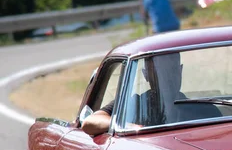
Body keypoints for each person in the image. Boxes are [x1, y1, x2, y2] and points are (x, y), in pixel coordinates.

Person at [77, 53, 220, 135]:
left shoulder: (205, 110)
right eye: (159, 72)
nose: (166, 78)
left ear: (180, 71)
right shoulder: (134, 105)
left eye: (171, 71)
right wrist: (128, 125)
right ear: (146, 75)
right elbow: (90, 122)